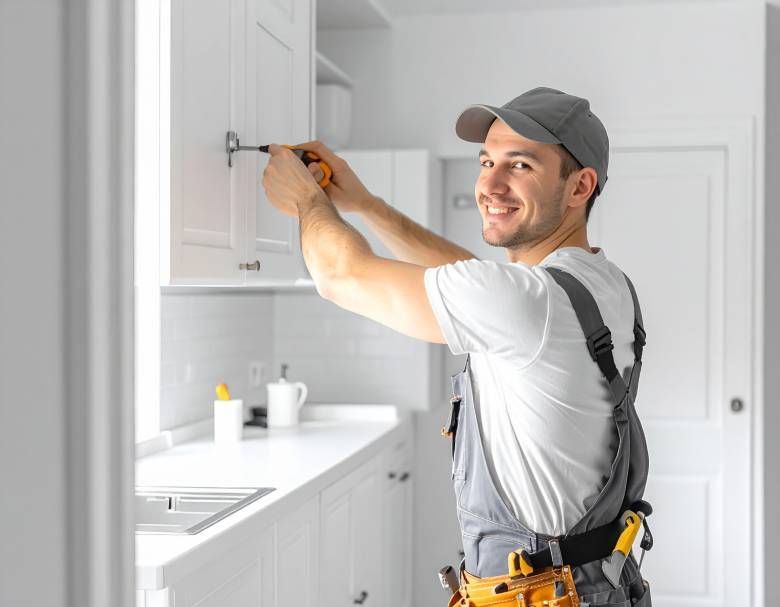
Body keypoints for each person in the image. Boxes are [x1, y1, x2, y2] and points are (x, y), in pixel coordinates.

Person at [261, 86, 652, 606]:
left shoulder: (528, 303)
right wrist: (364, 205)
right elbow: (471, 278)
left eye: (520, 166)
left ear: (580, 186)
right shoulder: (600, 282)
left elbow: (340, 274)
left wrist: (307, 202)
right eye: (487, 160)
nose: (489, 184)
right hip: (594, 585)